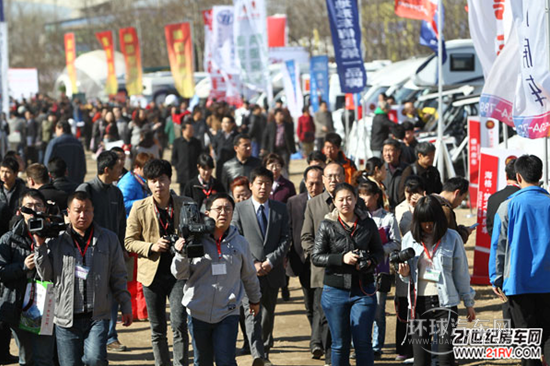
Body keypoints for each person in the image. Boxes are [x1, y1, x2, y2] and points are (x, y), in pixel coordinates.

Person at [35, 191, 133, 366]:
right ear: (68, 212)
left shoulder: (108, 239)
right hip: (66, 319)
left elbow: (118, 274)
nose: (82, 215)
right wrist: (40, 247)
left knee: (95, 359)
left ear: (93, 211)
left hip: (97, 315)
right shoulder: (55, 240)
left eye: (87, 210)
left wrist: (125, 304)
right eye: (78, 210)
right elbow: (46, 276)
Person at [171, 193, 262, 366]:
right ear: (207, 213)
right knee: (202, 361)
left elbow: (249, 276)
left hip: (228, 312)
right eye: (218, 209)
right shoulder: (194, 240)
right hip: (198, 312)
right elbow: (179, 274)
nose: (223, 213)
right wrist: (181, 253)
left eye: (228, 209)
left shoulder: (241, 243)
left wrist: (255, 299)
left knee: (226, 361)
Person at [125, 159, 191, 366]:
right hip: (151, 274)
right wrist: (151, 246)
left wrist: (184, 242)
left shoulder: (186, 204)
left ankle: (181, 363)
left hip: (179, 273)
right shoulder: (139, 207)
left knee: (179, 324)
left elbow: (198, 237)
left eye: (162, 180)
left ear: (170, 180)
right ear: (147, 183)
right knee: (157, 328)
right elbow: (128, 242)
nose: (158, 185)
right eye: (153, 181)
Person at [312, 182, 385, 366]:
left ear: (356, 200)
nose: (345, 203)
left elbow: (378, 252)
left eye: (349, 198)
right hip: (334, 291)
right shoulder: (327, 224)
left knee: (363, 343)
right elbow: (316, 257)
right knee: (340, 344)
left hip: (364, 290)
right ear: (334, 202)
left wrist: (369, 261)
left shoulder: (367, 223)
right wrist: (341, 258)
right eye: (341, 199)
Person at [398, 195, 476, 366]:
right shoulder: (409, 239)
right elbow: (406, 278)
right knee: (421, 359)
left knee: (445, 358)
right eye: (423, 221)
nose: (427, 226)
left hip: (445, 304)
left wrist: (468, 303)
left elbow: (461, 273)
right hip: (418, 306)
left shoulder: (452, 238)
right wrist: (404, 274)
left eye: (431, 221)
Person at [490, 154, 550, 366]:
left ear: (517, 176)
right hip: (547, 283)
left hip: (518, 282)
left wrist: (496, 276)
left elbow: (498, 244)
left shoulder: (508, 206)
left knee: (527, 340)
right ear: (541, 175)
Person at [231, 167, 291, 364]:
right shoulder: (239, 209)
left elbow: (285, 238)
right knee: (251, 314)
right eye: (259, 183)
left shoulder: (280, 209)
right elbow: (236, 237)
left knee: (267, 314)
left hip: (272, 271)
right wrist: (253, 263)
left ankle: (264, 349)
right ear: (251, 185)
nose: (263, 187)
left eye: (267, 183)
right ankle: (258, 354)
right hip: (249, 272)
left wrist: (270, 261)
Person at [77, 150, 128, 352]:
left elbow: (121, 223)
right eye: (118, 167)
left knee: (113, 293)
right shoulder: (86, 189)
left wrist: (122, 247)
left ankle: (110, 336)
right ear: (106, 169)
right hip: (87, 254)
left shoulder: (116, 192)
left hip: (112, 252)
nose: (120, 171)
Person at [0, 190, 55, 365]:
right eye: (29, 206)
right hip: (18, 305)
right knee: (26, 357)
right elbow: (1, 272)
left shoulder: (55, 238)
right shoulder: (9, 239)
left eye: (38, 205)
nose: (34, 210)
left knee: (45, 357)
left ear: (45, 208)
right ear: (19, 211)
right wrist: (23, 267)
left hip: (47, 303)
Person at [301, 162, 346, 362]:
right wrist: (320, 257)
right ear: (323, 180)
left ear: (344, 178)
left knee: (345, 316)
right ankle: (329, 357)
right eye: (329, 177)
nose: (333, 180)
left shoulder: (352, 202)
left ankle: (340, 353)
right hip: (322, 271)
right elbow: (306, 238)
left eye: (337, 176)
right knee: (326, 315)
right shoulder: (314, 204)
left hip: (348, 270)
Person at [357, 181, 401, 359]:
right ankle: (359, 343)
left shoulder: (388, 218)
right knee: (359, 308)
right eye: (360, 194)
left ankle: (377, 346)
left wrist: (379, 250)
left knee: (378, 309)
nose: (362, 199)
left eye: (366, 194)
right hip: (359, 270)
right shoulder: (357, 217)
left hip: (380, 269)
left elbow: (397, 243)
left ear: (376, 196)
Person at [287, 165, 324, 358]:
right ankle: (316, 334)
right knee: (309, 305)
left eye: (318, 183)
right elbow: (289, 229)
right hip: (302, 261)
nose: (314, 187)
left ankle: (317, 341)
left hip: (323, 263)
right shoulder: (294, 202)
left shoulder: (329, 203)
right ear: (304, 182)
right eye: (310, 183)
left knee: (320, 303)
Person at [43, 120, 87, 184]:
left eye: (56, 129)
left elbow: (47, 162)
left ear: (61, 128)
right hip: (76, 181)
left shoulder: (54, 143)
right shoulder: (78, 143)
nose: (55, 132)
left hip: (58, 182)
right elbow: (83, 163)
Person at [486, 158, 519, 237]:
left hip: (499, 245)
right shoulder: (524, 197)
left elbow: (490, 227)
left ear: (506, 176)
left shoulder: (493, 198)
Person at [433, 177, 472, 243]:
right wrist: (466, 232)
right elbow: (453, 241)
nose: (460, 204)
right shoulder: (445, 210)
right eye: (462, 199)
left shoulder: (427, 201)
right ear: (457, 193)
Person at [171, 120, 203, 195]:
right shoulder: (177, 142)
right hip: (182, 172)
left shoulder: (197, 142)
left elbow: (200, 156)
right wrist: (177, 166)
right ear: (183, 130)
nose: (192, 131)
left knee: (194, 192)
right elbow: (174, 158)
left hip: (194, 172)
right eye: (189, 130)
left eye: (192, 129)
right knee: (183, 192)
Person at [118, 152, 153, 217]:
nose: (149, 171)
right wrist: (147, 201)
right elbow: (123, 205)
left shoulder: (139, 179)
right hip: (128, 223)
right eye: (146, 169)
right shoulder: (129, 181)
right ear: (137, 167)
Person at [262, 108, 296, 176]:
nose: (282, 116)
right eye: (280, 114)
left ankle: (285, 179)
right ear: (275, 116)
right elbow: (265, 137)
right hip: (274, 149)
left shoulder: (288, 125)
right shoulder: (270, 125)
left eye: (282, 114)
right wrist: (263, 147)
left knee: (284, 165)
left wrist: (293, 149)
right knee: (273, 165)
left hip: (285, 149)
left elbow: (291, 137)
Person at [381, 139, 407, 210]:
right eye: (385, 150)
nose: (387, 154)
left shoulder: (406, 170)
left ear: (398, 152)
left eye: (390, 150)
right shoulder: (380, 170)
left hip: (402, 209)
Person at [213, 115, 239, 181]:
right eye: (223, 122)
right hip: (220, 164)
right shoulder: (218, 134)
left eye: (227, 122)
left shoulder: (236, 136)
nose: (224, 124)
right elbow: (215, 147)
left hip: (232, 164)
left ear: (232, 124)